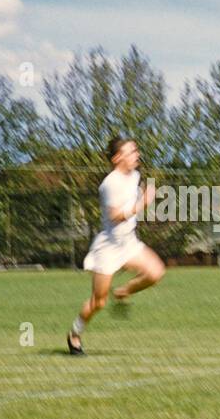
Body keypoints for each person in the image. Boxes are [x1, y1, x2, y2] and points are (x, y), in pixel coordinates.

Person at [68, 136, 165, 354]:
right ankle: (74, 334)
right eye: (131, 152)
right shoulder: (109, 184)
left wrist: (143, 196)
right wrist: (143, 203)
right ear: (117, 158)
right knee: (99, 302)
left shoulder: (136, 176)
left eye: (136, 151)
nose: (136, 155)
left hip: (129, 243)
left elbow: (132, 200)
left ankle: (123, 292)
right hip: (109, 248)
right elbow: (115, 216)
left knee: (156, 272)